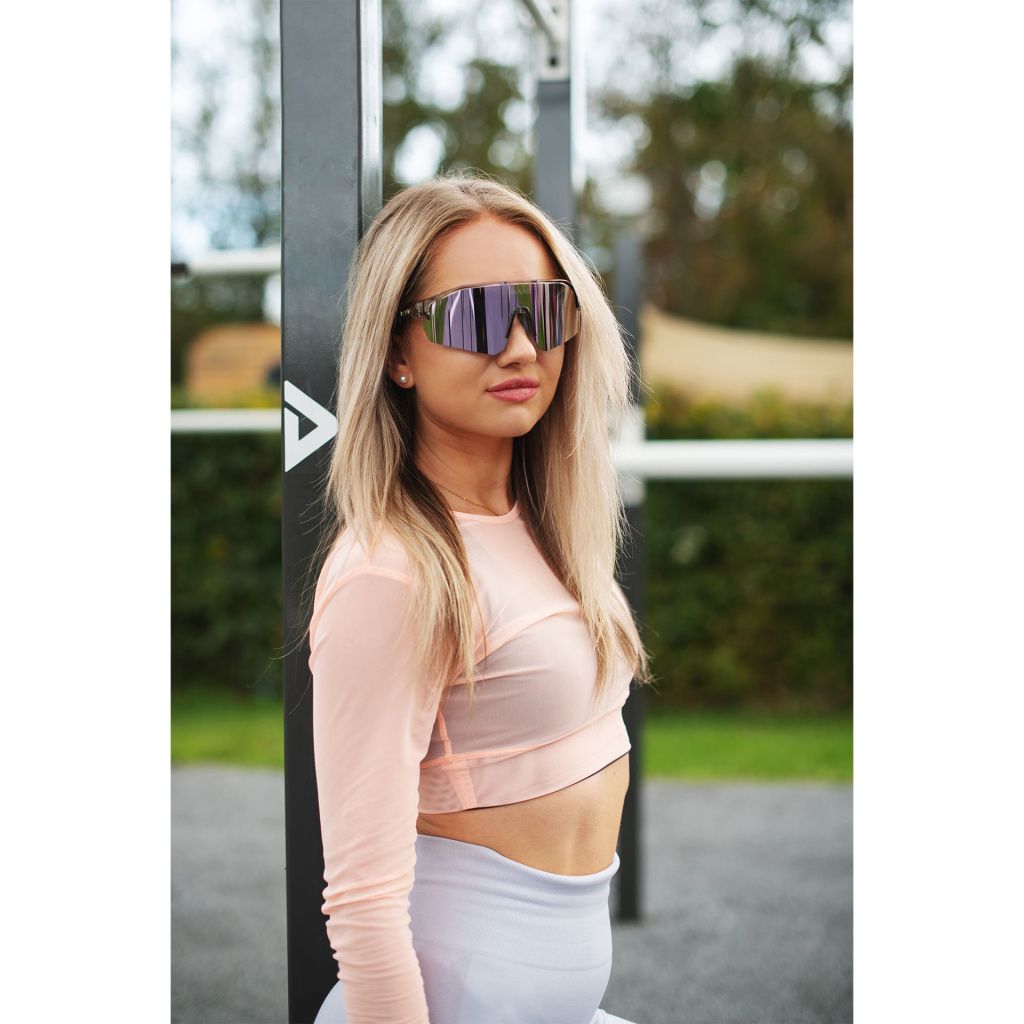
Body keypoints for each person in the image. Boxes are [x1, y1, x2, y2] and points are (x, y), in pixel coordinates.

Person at [305, 169, 655, 1024]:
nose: (522, 348)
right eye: (476, 316)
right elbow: (363, 903)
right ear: (397, 353)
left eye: (543, 309)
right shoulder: (391, 573)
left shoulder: (549, 526)